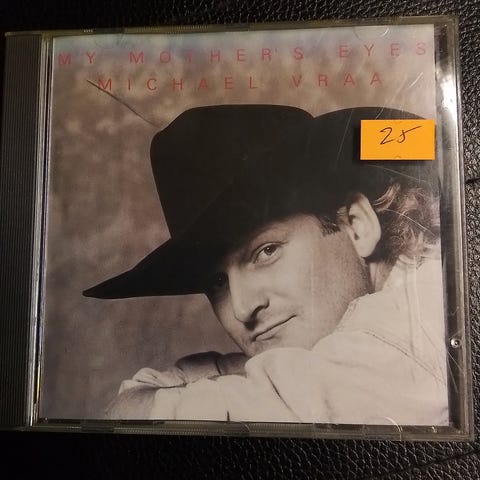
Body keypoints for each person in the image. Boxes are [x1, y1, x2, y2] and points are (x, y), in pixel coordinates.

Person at [84, 105, 448, 425]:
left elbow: (138, 412)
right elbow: (133, 405)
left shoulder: (410, 327)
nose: (242, 309)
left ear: (356, 225)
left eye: (266, 251)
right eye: (217, 284)